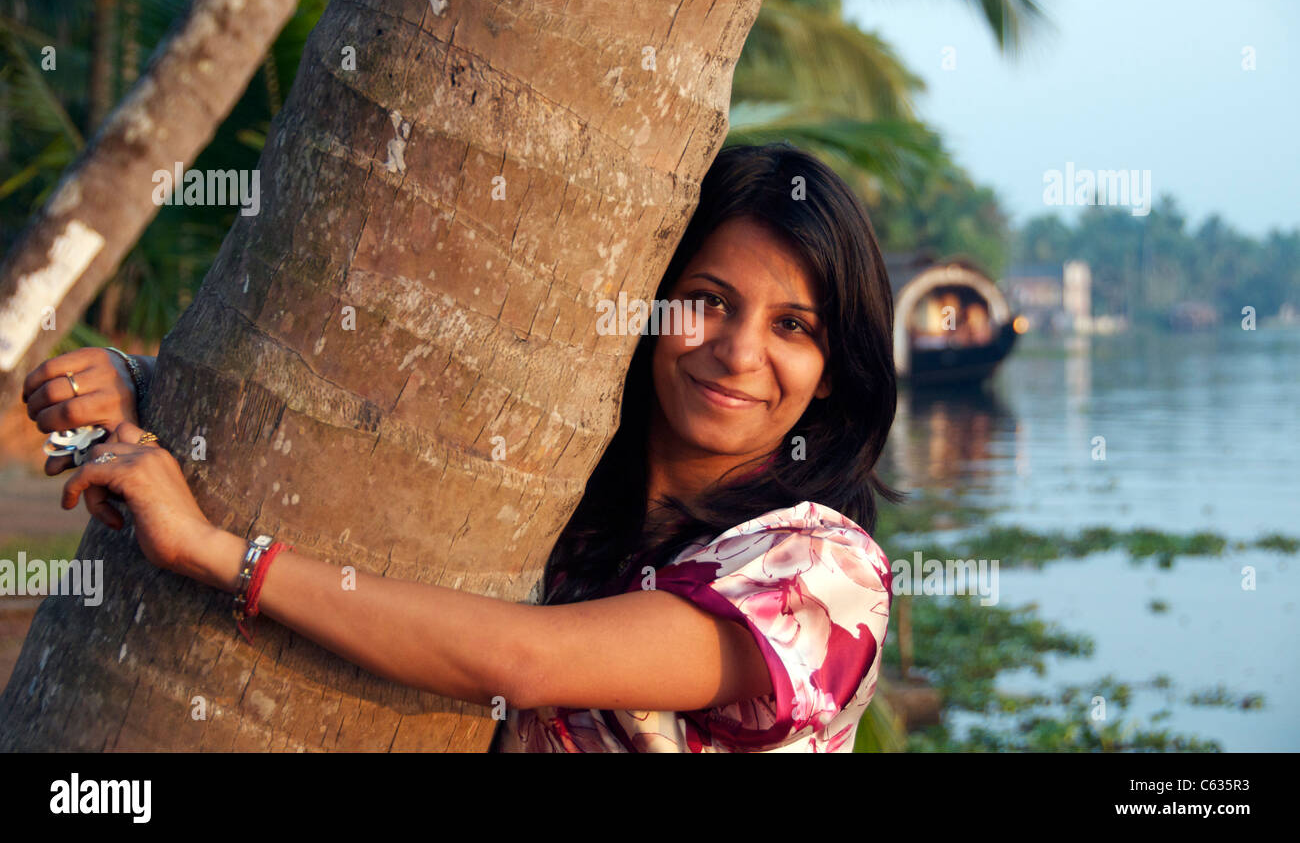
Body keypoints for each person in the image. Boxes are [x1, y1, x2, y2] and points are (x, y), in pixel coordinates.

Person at [22, 142, 904, 753]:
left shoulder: (824, 572)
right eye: (708, 300)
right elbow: (381, 433)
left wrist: (216, 553)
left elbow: (526, 659)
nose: (739, 350)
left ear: (831, 371)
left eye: (793, 326)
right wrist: (143, 386)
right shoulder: (569, 495)